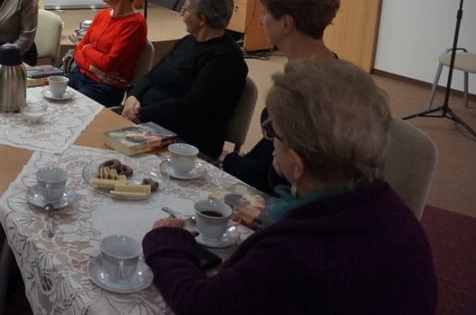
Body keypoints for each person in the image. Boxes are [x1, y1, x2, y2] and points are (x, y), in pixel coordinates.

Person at [143, 59, 438, 314]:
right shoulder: (395, 214)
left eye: (275, 137)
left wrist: (167, 242)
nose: (271, 145)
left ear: (297, 164)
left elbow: (201, 305)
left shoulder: (293, 253)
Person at [223, 0, 339, 193]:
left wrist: (229, 164)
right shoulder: (313, 66)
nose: (260, 21)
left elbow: (279, 172)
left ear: (286, 23)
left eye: (265, 13)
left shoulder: (314, 87)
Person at [121, 0, 247, 158]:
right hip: (150, 124)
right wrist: (133, 96)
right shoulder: (188, 41)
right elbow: (153, 75)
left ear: (202, 19)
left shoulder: (225, 58)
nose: (181, 13)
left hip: (186, 140)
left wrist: (141, 113)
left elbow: (191, 106)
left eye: (186, 9)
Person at [67, 0, 148, 106]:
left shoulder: (135, 24)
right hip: (80, 74)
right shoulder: (101, 15)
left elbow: (108, 63)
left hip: (104, 87)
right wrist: (93, 68)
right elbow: (77, 51)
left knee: (71, 108)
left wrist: (86, 49)